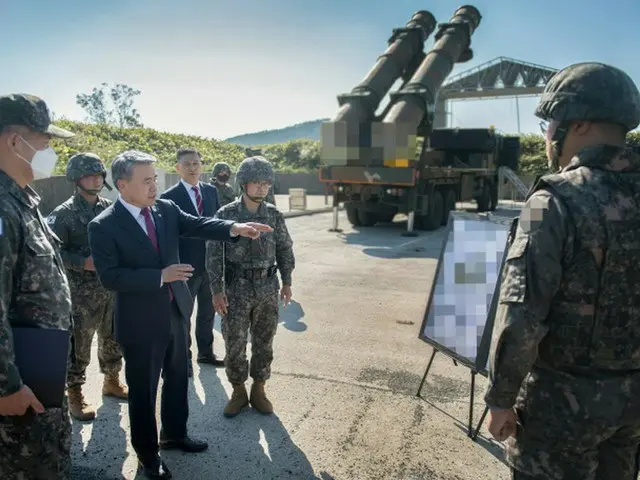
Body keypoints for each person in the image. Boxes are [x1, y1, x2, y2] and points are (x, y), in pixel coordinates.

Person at [484, 62, 640, 479]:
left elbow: (522, 315)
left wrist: (501, 398)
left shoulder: (552, 201)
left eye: (551, 123)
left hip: (560, 410)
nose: (549, 135)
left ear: (580, 124)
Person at [88, 149, 272, 478]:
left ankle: (174, 434)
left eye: (155, 179)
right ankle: (148, 457)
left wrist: (235, 227)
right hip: (140, 321)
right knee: (143, 392)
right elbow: (110, 276)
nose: (154, 186)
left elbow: (199, 224)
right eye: (146, 181)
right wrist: (160, 276)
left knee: (176, 378)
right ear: (122, 185)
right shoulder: (103, 225)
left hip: (174, 310)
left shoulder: (165, 209)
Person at [0, 93, 76, 478]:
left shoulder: (22, 199)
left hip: (38, 374)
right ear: (15, 141)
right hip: (16, 392)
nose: (51, 154)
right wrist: (6, 386)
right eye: (45, 144)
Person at [206, 155, 294, 418]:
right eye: (256, 182)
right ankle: (238, 391)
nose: (262, 188)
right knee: (234, 342)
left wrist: (287, 281)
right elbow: (213, 254)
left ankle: (259, 388)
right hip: (236, 288)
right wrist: (216, 290)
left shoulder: (275, 215)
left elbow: (284, 248)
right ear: (243, 183)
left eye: (266, 183)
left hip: (267, 286)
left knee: (265, 341)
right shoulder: (227, 215)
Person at [48, 152, 128, 421]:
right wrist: (82, 262)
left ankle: (112, 380)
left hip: (110, 288)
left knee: (113, 336)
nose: (95, 180)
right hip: (81, 294)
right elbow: (52, 254)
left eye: (98, 175)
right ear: (75, 179)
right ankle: (75, 394)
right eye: (88, 176)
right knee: (79, 344)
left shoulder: (110, 207)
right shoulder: (63, 215)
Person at [161, 149, 225, 375]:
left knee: (208, 311)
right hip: (185, 266)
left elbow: (215, 224)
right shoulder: (168, 197)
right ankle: (183, 359)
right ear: (177, 168)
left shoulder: (210, 191)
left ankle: (205, 353)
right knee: (182, 316)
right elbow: (168, 234)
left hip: (210, 264)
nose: (192, 167)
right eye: (187, 164)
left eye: (196, 163)